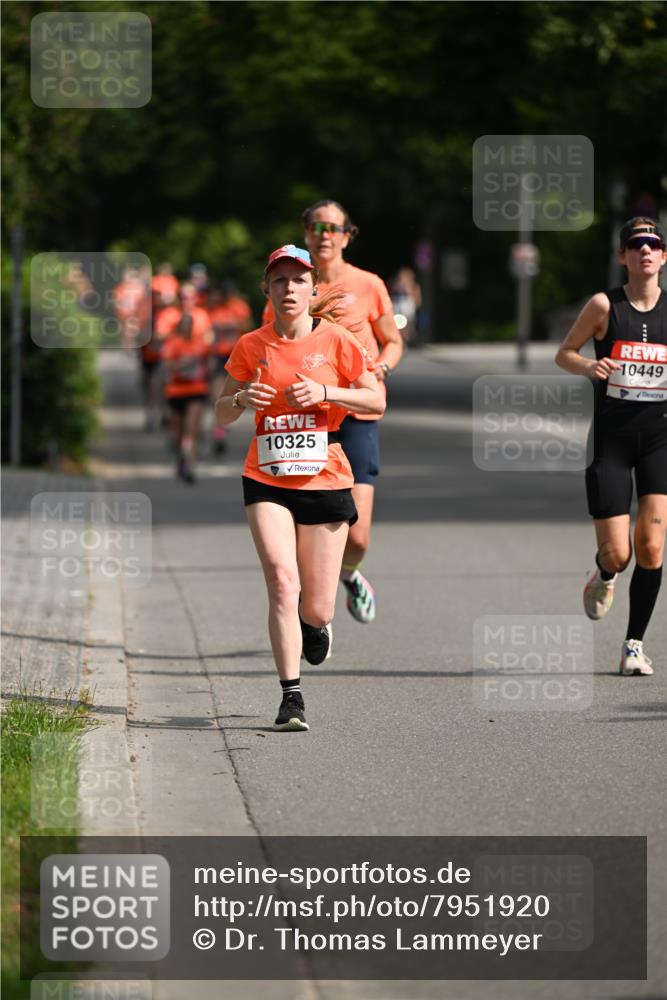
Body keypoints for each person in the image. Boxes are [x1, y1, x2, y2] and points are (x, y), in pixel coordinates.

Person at [215, 245, 385, 731]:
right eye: (279, 280)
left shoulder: (336, 340)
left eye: (298, 280)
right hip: (266, 476)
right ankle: (291, 697)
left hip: (325, 476)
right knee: (281, 581)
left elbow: (375, 400)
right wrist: (241, 398)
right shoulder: (251, 345)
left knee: (316, 605)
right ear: (267, 290)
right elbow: (220, 414)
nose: (288, 288)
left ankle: (315, 624)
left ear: (312, 290)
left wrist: (326, 391)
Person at [264, 200, 403, 625]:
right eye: (316, 227)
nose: (324, 234)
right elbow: (269, 344)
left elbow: (392, 341)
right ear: (306, 233)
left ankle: (348, 573)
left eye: (333, 228)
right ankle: (313, 609)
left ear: (347, 236)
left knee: (357, 537)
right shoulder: (289, 287)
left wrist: (381, 368)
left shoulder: (368, 284)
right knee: (305, 524)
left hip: (356, 413)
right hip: (308, 418)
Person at [555, 216, 667, 675]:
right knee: (619, 555)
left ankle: (633, 645)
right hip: (612, 442)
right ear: (623, 256)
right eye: (636, 244)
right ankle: (603, 573)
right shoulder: (605, 305)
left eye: (653, 243)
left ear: (664, 255)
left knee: (653, 547)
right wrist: (588, 367)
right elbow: (564, 353)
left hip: (660, 440)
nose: (645, 250)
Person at [161, 311, 213, 483]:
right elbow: (168, 366)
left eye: (189, 324)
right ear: (179, 327)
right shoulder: (172, 344)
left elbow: (208, 363)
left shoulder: (200, 344)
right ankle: (180, 460)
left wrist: (206, 371)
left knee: (191, 431)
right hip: (176, 391)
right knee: (178, 434)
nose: (186, 327)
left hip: (196, 390)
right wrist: (185, 365)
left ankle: (191, 466)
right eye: (183, 324)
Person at [208, 281, 254, 455]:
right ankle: (219, 432)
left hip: (237, 356)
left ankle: (227, 423)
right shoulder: (212, 309)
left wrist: (230, 326)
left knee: (239, 394)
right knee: (218, 395)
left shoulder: (238, 307)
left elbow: (248, 326)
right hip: (219, 356)